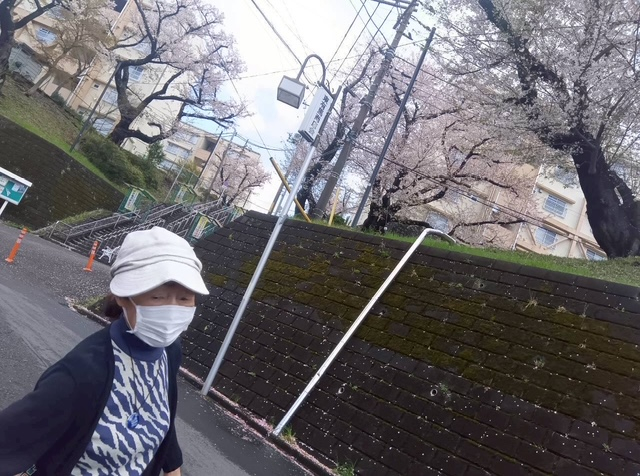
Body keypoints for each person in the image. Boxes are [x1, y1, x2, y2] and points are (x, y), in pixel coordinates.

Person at [0, 227, 209, 476]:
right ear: (123, 297)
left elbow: (160, 411)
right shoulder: (82, 372)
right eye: (157, 297)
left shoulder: (169, 352)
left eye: (184, 299)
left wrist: (173, 467)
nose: (172, 310)